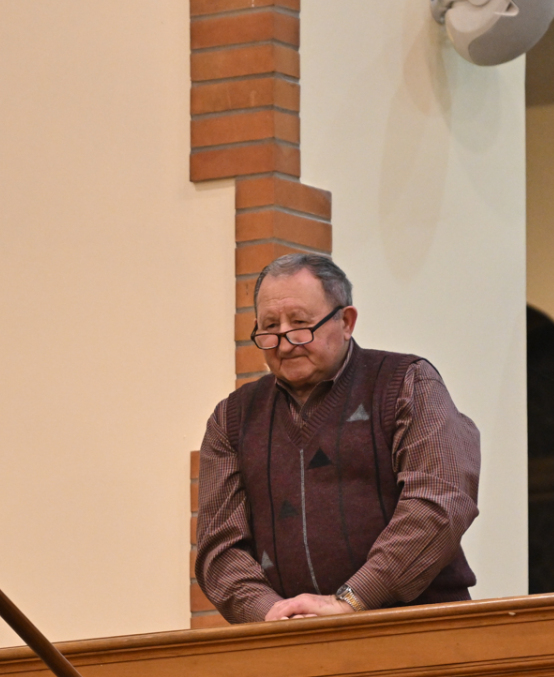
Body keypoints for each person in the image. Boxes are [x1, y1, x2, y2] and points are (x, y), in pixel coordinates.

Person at [195, 253, 481, 622]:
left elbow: (440, 503)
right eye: (270, 328)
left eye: (300, 324)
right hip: (290, 641)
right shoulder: (232, 418)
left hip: (420, 630)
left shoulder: (406, 384)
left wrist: (350, 601)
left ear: (346, 322)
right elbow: (219, 549)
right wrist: (274, 614)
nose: (285, 343)